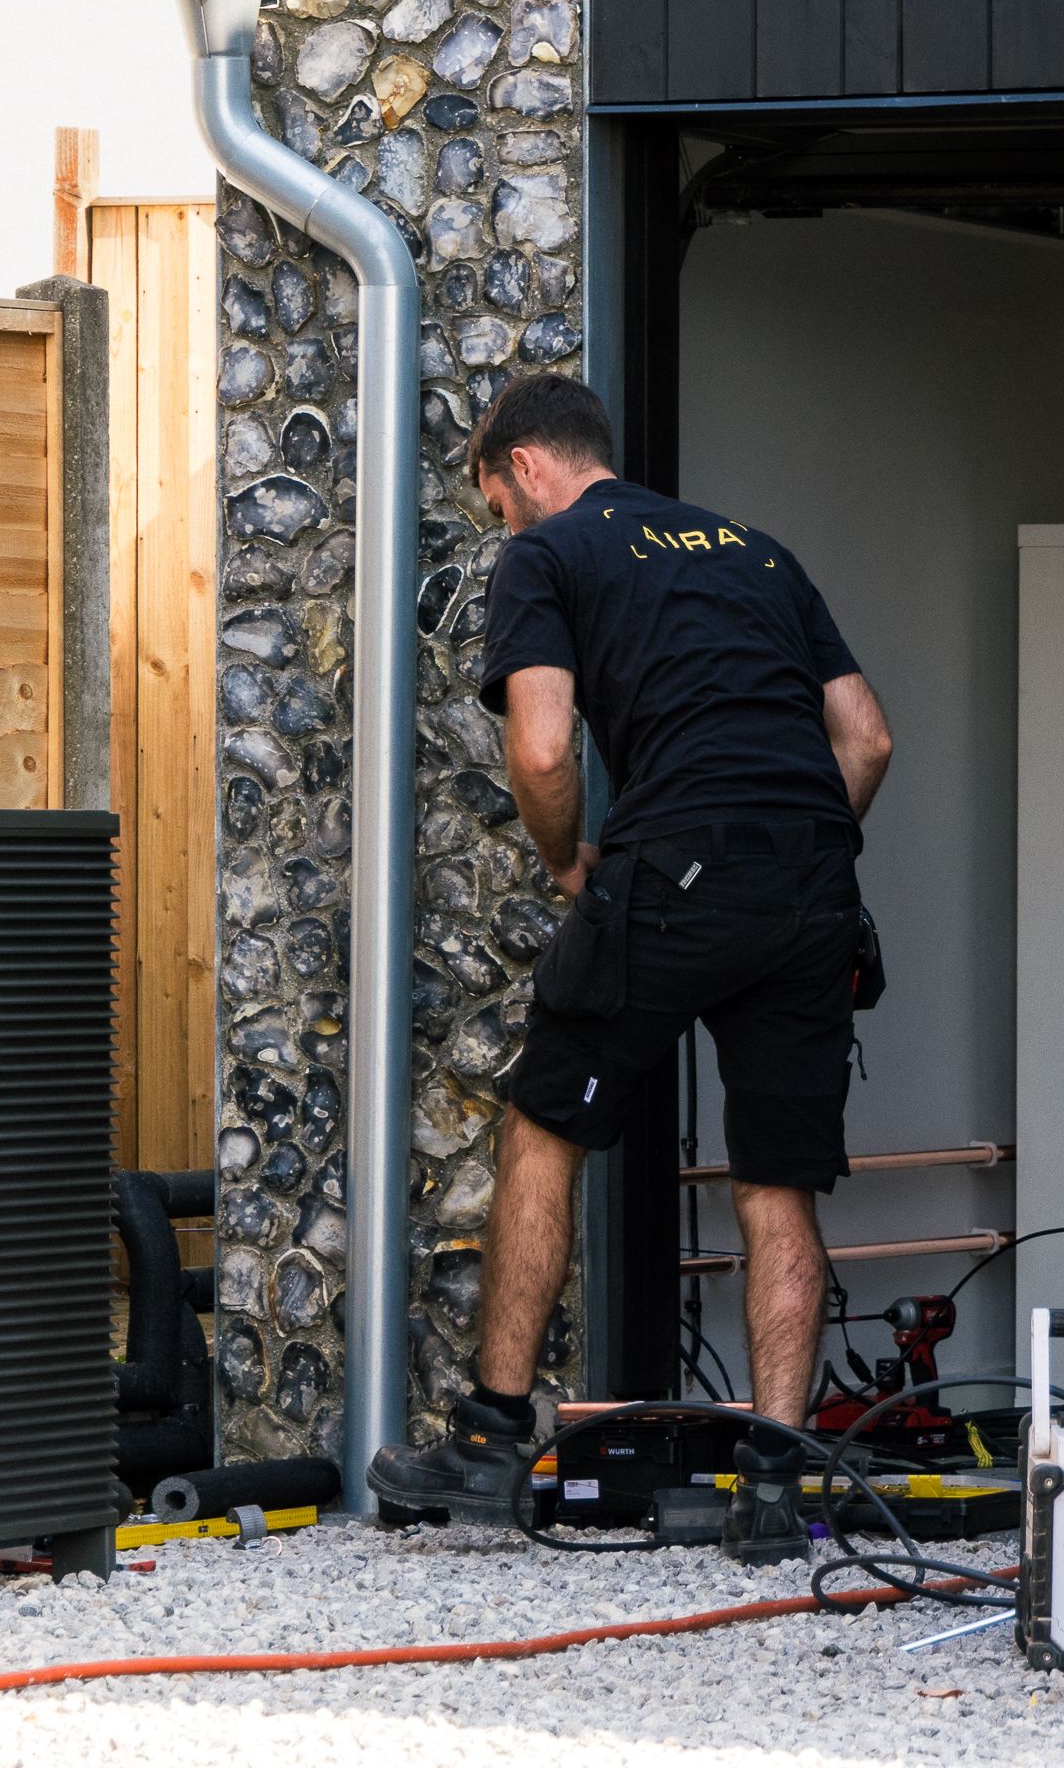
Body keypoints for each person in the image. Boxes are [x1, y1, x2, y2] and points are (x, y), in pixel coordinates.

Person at [366, 373, 894, 1561]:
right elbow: (867, 735)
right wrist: (806, 848)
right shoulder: (757, 550)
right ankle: (772, 1488)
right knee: (776, 1184)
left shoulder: (548, 554)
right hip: (812, 881)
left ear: (523, 468)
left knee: (546, 1127)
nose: (504, 523)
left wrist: (568, 865)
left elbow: (544, 747)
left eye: (497, 498)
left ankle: (493, 1444)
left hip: (673, 870)